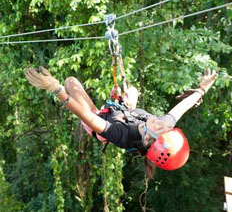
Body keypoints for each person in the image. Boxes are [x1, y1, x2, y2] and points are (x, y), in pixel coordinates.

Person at [24, 67, 218, 177]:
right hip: (123, 112)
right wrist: (203, 88)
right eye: (167, 126)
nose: (161, 122)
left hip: (99, 119)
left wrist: (55, 88)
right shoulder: (162, 126)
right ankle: (127, 102)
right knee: (131, 92)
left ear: (148, 141)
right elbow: (182, 107)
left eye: (160, 129)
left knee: (70, 82)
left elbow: (87, 117)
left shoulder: (121, 136)